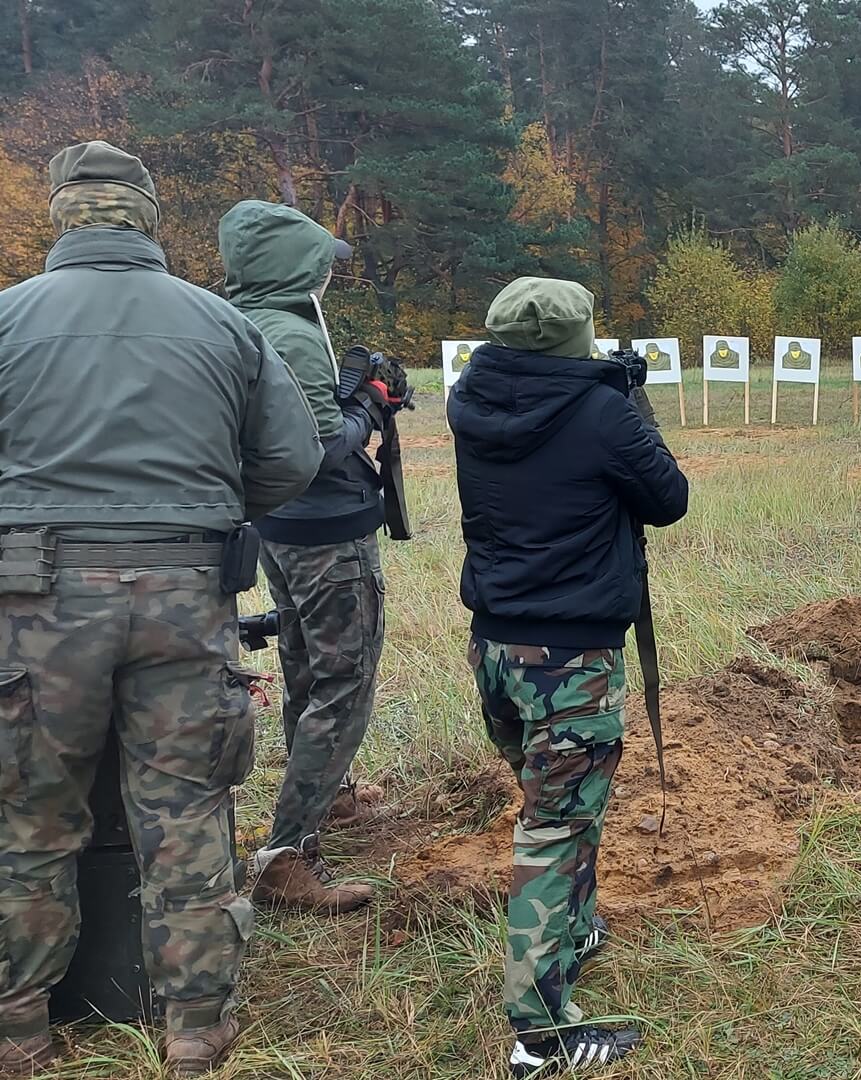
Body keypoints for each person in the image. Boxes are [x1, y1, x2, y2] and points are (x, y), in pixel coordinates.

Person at [0, 142, 322, 1077]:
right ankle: (193, 1026)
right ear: (146, 217)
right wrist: (201, 509)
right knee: (185, 809)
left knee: (26, 818)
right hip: (186, 593)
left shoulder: (8, 321)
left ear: (63, 216)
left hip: (33, 599)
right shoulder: (223, 325)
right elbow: (292, 460)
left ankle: (20, 1031)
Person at [448, 278, 688, 1077]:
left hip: (496, 650)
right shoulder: (601, 412)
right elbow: (669, 498)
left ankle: (575, 931)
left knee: (553, 805)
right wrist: (629, 399)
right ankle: (540, 1037)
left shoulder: (470, 400)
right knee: (552, 828)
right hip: (572, 661)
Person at [218, 200, 396, 915]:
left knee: (306, 668)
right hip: (325, 528)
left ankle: (331, 797)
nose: (329, 272)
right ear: (295, 264)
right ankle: (287, 855)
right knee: (342, 685)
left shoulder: (242, 321)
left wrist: (354, 399)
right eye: (321, 259)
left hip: (281, 529)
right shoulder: (289, 331)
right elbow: (319, 450)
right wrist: (370, 406)